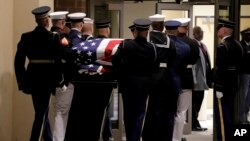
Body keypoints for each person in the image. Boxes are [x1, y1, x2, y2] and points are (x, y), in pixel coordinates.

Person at [14, 6, 61, 141]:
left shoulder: (26, 37)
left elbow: (18, 62)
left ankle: (48, 137)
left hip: (33, 78)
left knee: (41, 110)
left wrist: (22, 81)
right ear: (46, 21)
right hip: (47, 80)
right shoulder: (53, 37)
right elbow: (57, 61)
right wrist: (58, 80)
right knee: (41, 113)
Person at [112, 18, 158, 141]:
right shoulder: (152, 48)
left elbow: (115, 61)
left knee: (128, 114)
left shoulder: (125, 45)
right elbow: (155, 67)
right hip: (144, 86)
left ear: (136, 31)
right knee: (139, 114)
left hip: (128, 84)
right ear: (147, 31)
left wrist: (121, 75)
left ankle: (130, 138)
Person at [142, 14, 177, 141]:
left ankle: (148, 135)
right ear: (162, 26)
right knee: (162, 108)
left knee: (148, 108)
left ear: (152, 25)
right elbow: (172, 59)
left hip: (148, 76)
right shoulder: (169, 41)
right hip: (164, 77)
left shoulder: (146, 38)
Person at [48, 11, 75, 141]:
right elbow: (67, 56)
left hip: (50, 81)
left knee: (54, 112)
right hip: (63, 81)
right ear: (63, 23)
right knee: (61, 113)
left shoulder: (47, 36)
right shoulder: (61, 37)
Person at [214, 19, 243, 141]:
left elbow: (221, 69)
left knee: (222, 116)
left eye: (219, 28)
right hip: (233, 84)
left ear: (224, 30)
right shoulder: (238, 45)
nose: (217, 31)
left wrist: (219, 87)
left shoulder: (222, 46)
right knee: (229, 113)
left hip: (223, 87)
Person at [172, 18, 200, 141]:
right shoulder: (193, 43)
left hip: (173, 77)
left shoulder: (172, 41)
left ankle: (171, 136)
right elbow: (195, 60)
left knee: (171, 110)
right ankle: (177, 137)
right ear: (187, 28)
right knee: (182, 111)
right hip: (187, 78)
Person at [94, 19, 114, 141]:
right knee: (107, 109)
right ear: (107, 29)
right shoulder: (110, 44)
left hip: (93, 81)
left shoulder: (92, 42)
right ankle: (107, 135)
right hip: (107, 81)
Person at [191, 26, 212, 131]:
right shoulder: (193, 45)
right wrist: (194, 80)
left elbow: (207, 62)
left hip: (203, 80)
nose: (202, 34)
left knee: (199, 101)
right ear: (194, 34)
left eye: (202, 32)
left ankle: (195, 122)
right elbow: (193, 65)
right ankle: (193, 123)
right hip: (197, 80)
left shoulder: (203, 45)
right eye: (199, 32)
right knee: (195, 102)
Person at [238, 27, 250, 124]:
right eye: (248, 34)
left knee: (248, 97)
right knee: (243, 96)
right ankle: (242, 118)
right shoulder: (240, 45)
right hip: (244, 74)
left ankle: (246, 116)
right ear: (244, 35)